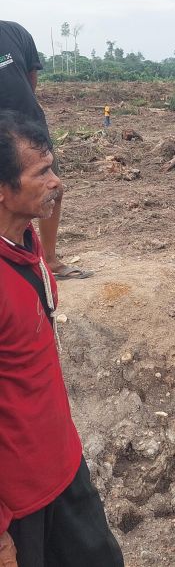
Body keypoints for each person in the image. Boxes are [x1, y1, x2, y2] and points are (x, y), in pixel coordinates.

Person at [0, 111, 124, 567]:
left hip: (64, 467)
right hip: (18, 505)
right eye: (41, 172)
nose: (57, 182)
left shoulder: (25, 241)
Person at [0, 20, 91, 280]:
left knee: (54, 189)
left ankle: (49, 260)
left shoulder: (15, 33)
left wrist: (22, 125)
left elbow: (31, 80)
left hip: (30, 129)